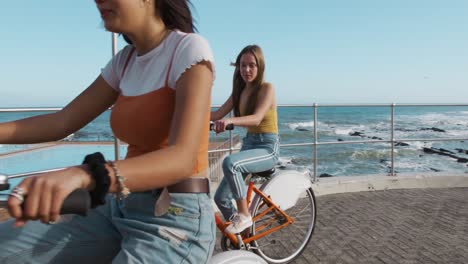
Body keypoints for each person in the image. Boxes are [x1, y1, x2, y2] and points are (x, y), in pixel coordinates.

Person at [0, 0, 216, 263]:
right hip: (121, 204)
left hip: (176, 217)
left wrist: (85, 174)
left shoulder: (188, 49)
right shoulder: (124, 62)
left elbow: (182, 158)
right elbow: (62, 121)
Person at [211, 45, 280, 234]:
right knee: (220, 199)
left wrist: (229, 121)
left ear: (260, 67)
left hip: (267, 148)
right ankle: (244, 235)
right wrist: (191, 114)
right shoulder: (238, 92)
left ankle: (244, 215)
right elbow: (217, 114)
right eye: (243, 65)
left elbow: (257, 118)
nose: (247, 70)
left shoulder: (267, 88)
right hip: (249, 145)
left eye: (251, 65)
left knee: (230, 163)